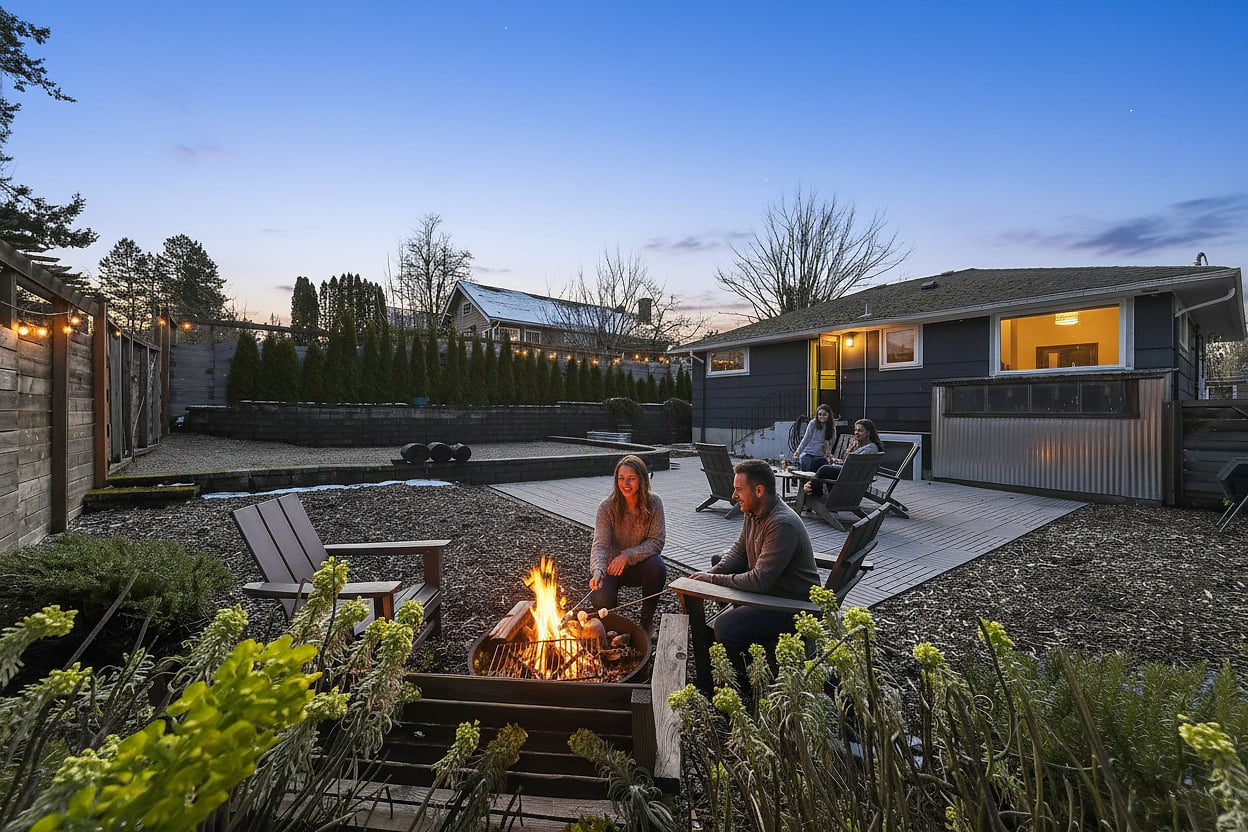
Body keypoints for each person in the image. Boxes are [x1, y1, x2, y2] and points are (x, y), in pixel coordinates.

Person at [689, 459, 820, 682]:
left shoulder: (781, 524)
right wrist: (714, 572)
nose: (733, 495)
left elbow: (759, 581)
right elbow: (739, 551)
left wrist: (712, 579)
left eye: (739, 489)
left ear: (759, 490)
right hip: (772, 592)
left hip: (791, 607)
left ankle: (753, 675)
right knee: (719, 560)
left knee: (724, 628)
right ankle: (742, 635)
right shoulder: (753, 511)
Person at [590, 455, 667, 633]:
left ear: (642, 479)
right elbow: (600, 544)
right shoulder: (606, 507)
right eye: (621, 478)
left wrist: (627, 556)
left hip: (641, 566)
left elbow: (656, 542)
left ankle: (646, 622)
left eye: (631, 478)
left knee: (657, 565)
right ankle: (614, 627)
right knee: (599, 598)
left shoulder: (654, 503)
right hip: (612, 569)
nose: (626, 484)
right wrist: (598, 570)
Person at [805, 418, 885, 496]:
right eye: (856, 430)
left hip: (852, 478)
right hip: (849, 475)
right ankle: (814, 490)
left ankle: (812, 491)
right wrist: (834, 460)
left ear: (868, 433)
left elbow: (853, 466)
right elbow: (848, 462)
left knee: (824, 469)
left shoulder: (870, 448)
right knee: (821, 462)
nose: (856, 432)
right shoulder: (862, 445)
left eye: (860, 431)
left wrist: (836, 465)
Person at [792, 404, 835, 472]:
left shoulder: (831, 427)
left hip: (820, 455)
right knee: (809, 463)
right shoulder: (813, 423)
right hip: (808, 454)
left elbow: (831, 443)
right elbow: (806, 438)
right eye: (820, 414)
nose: (822, 416)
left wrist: (828, 454)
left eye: (824, 414)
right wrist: (798, 451)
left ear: (829, 415)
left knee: (823, 463)